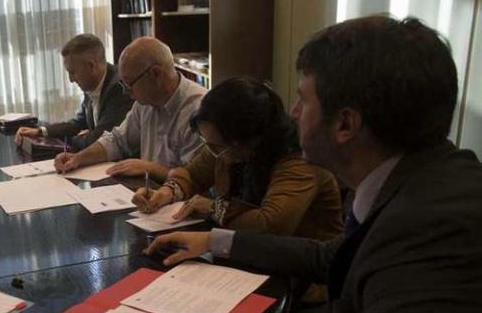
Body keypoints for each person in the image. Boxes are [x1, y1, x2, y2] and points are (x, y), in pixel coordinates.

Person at [142, 16, 482, 313]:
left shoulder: (434, 232)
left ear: (345, 124)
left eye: (303, 99)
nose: (294, 113)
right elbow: (331, 255)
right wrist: (216, 240)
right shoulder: (417, 183)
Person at [133, 76, 343, 240]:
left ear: (247, 141)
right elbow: (193, 174)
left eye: (216, 146)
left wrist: (213, 208)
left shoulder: (300, 161)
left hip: (301, 280)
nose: (212, 151)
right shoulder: (226, 146)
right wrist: (166, 193)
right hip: (247, 256)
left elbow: (269, 224)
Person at [53, 36, 207, 182]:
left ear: (156, 74)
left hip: (182, 202)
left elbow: (195, 180)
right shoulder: (144, 103)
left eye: (129, 83)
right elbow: (117, 141)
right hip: (149, 191)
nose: (125, 92)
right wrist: (78, 158)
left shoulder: (199, 110)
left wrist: (151, 168)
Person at [13, 33, 132, 150]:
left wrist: (68, 140)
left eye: (73, 72)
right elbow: (77, 124)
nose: (71, 80)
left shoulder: (119, 88)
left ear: (91, 66)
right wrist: (41, 131)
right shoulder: (90, 83)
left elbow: (101, 139)